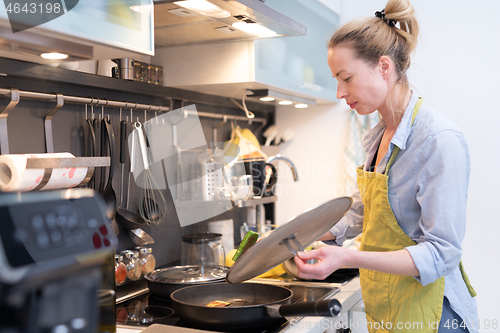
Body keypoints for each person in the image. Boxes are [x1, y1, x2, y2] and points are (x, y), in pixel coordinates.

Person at [293, 0, 479, 332]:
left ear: (383, 67)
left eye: (346, 78)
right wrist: (292, 235)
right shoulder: (377, 136)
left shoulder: (439, 139)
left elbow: (442, 253)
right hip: (391, 308)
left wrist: (347, 257)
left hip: (435, 316)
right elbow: (362, 212)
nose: (339, 92)